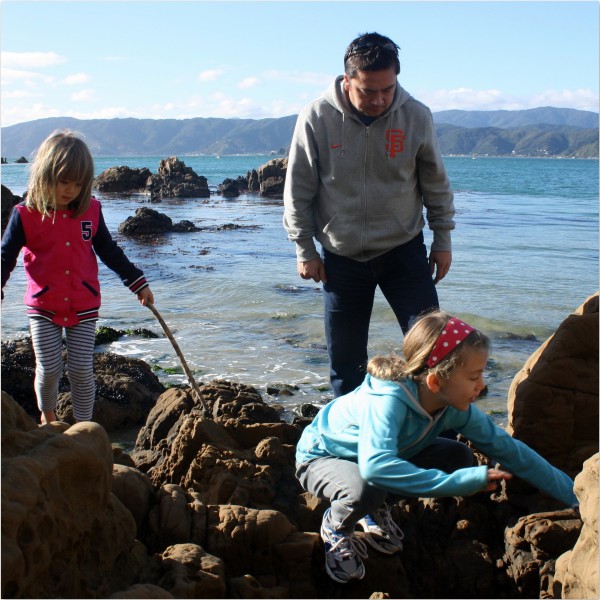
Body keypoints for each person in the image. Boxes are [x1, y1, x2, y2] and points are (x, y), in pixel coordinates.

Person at [295, 310, 578, 584]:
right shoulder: (388, 401)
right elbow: (376, 467)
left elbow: (511, 451)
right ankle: (337, 525)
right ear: (435, 380)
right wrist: (455, 484)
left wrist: (575, 496)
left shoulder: (454, 407)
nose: (482, 386)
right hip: (322, 457)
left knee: (458, 456)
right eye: (473, 377)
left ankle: (376, 506)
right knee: (366, 488)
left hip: (375, 459)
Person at [283, 32, 455, 398]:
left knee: (433, 352)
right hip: (341, 259)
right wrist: (304, 249)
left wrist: (443, 239)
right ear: (347, 81)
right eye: (368, 91)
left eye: (387, 89)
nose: (379, 99)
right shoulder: (316, 117)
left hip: (404, 253)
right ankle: (350, 440)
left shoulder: (416, 116)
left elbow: (436, 184)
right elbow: (298, 189)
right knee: (345, 364)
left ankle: (440, 440)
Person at [1, 130, 154, 424]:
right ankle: (48, 417)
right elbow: (5, 256)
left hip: (84, 304)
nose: (71, 189)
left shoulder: (91, 211)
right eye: (63, 181)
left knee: (82, 370)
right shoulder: (26, 214)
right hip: (42, 305)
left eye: (78, 183)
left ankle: (84, 429)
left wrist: (138, 283)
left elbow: (109, 251)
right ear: (46, 174)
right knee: (49, 367)